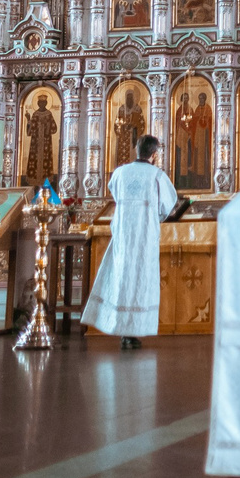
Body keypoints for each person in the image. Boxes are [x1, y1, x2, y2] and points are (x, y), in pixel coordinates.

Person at [86, 134, 189, 349]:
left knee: (122, 279)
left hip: (123, 235)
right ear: (154, 154)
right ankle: (133, 331)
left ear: (136, 149)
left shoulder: (120, 172)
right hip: (144, 236)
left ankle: (123, 330)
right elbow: (168, 206)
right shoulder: (157, 176)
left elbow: (114, 192)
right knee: (140, 281)